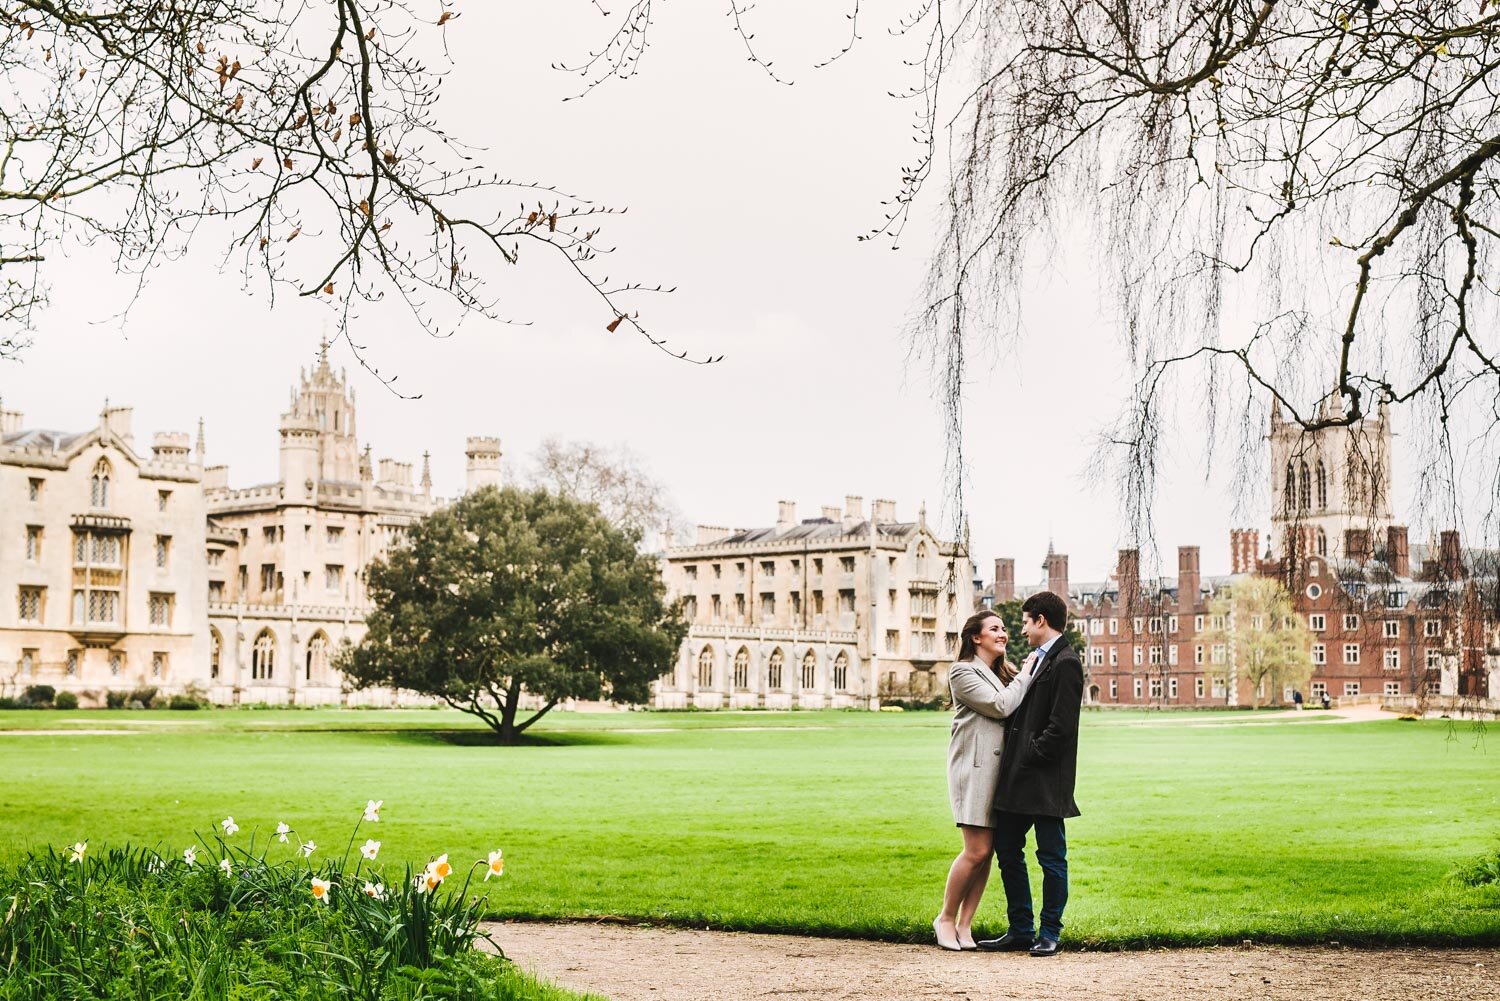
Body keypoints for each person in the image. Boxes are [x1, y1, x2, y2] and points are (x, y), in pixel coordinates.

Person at [978, 590, 1082, 958]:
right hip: (1019, 779)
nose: (1020, 630)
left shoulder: (1066, 661)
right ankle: (1021, 928)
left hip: (1044, 779)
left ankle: (1050, 931)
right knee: (1007, 849)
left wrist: (1030, 755)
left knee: (1051, 857)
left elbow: (1062, 726)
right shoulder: (1035, 660)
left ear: (1041, 620)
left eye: (1024, 621)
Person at [934, 610, 1037, 951]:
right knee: (975, 850)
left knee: (987, 851)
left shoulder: (999, 672)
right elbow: (1000, 706)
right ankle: (945, 918)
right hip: (973, 772)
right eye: (994, 628)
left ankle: (965, 925)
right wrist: (1026, 673)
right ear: (976, 638)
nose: (1003, 633)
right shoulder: (963, 672)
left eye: (1004, 628)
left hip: (998, 776)